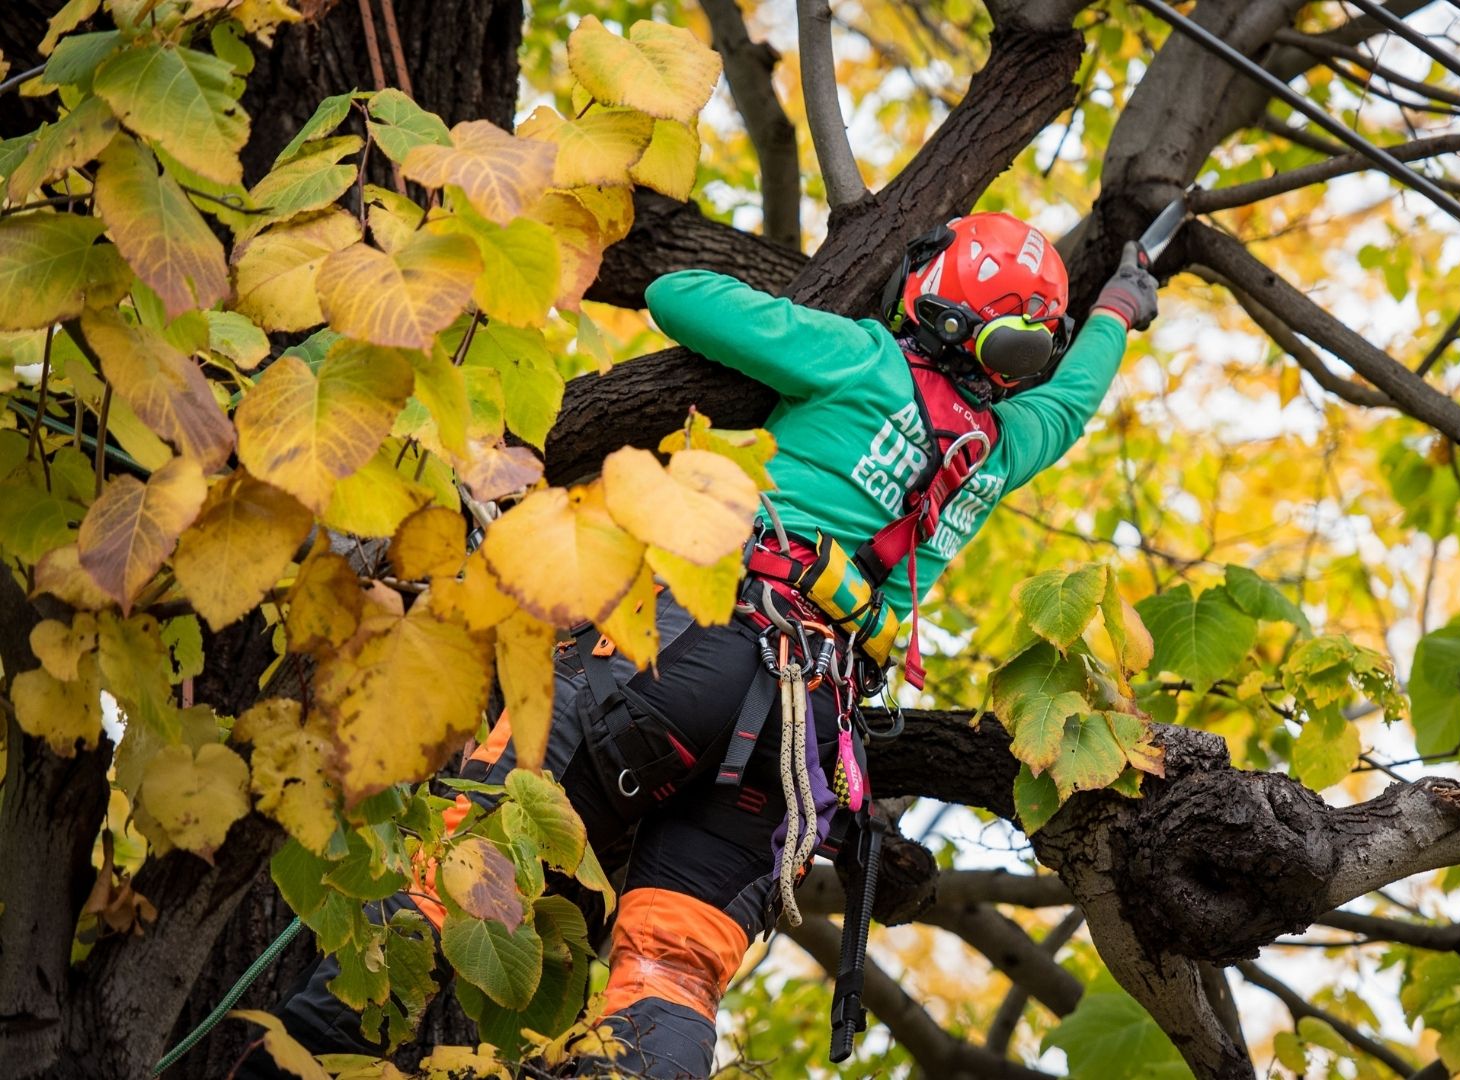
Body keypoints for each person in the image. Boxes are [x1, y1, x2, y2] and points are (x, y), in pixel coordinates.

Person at [236, 212, 1159, 1079]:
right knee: (673, 973)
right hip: (806, 743)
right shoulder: (1003, 448)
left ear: (932, 296)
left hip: (696, 649)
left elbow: (681, 294)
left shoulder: (858, 362)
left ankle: (292, 1061)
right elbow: (1076, 398)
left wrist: (811, 318)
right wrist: (1119, 308)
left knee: (466, 865)